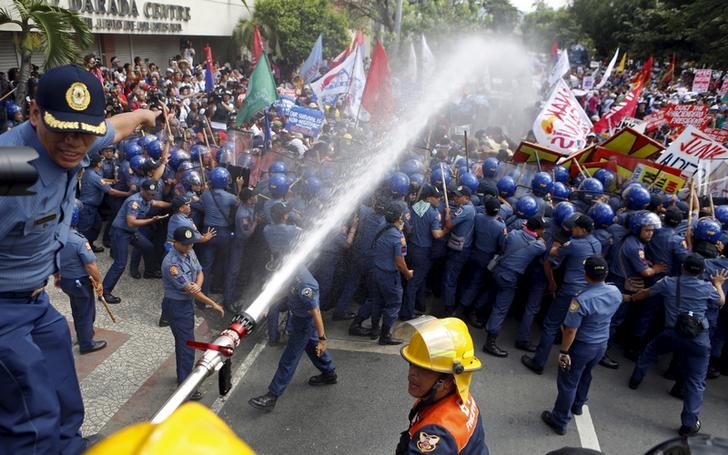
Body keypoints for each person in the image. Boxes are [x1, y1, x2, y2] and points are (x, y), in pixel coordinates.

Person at [0, 63, 157, 454]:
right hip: (3, 309)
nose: (74, 143)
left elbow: (115, 128)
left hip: (36, 301)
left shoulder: (82, 132)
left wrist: (144, 116)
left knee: (64, 394)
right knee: (30, 417)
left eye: (84, 133)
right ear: (34, 114)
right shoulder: (12, 167)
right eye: (62, 130)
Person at [626, 254, 726, 437]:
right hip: (699, 339)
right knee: (696, 381)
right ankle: (689, 423)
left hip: (672, 332)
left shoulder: (668, 283)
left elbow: (646, 293)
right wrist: (718, 284)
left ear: (683, 268)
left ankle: (636, 378)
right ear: (702, 272)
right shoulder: (706, 288)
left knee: (650, 351)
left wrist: (630, 298)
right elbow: (720, 301)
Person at [540, 256, 622, 435]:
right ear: (606, 273)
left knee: (568, 383)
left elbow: (570, 331)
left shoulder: (581, 300)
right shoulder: (614, 292)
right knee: (586, 374)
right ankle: (578, 405)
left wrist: (563, 351)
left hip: (582, 346)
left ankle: (560, 420)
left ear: (585, 275)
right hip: (601, 344)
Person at [248, 265, 336, 411]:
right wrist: (268, 305)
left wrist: (323, 339)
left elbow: (316, 311)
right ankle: (329, 373)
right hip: (298, 318)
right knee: (310, 345)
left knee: (289, 359)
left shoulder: (306, 285)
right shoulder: (293, 271)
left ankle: (272, 395)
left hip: (304, 324)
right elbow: (284, 290)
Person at [397, 317, 489, 454]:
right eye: (412, 364)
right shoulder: (460, 395)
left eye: (425, 369)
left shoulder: (436, 434)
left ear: (447, 381)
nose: (412, 373)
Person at [162, 226, 224, 400]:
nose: (189, 247)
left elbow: (199, 271)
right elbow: (191, 290)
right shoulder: (172, 264)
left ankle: (184, 377)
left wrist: (198, 283)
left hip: (186, 304)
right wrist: (213, 303)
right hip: (177, 306)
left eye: (190, 244)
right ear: (176, 243)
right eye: (185, 245)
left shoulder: (189, 251)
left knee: (185, 343)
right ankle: (185, 385)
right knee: (186, 345)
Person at [484, 216, 546, 357]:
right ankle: (490, 342)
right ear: (537, 230)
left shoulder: (513, 234)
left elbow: (503, 244)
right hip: (509, 277)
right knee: (500, 308)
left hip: (497, 270)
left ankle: (479, 316)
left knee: (491, 294)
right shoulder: (538, 246)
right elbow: (544, 249)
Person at [102, 179, 170, 303]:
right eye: (149, 193)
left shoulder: (147, 199)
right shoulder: (135, 201)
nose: (152, 196)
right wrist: (152, 220)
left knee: (148, 247)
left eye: (153, 193)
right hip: (121, 232)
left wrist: (173, 205)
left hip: (131, 232)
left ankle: (149, 272)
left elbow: (157, 203)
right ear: (142, 190)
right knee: (120, 264)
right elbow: (131, 222)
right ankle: (104, 292)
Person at [58, 200, 108, 354]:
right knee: (86, 311)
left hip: (65, 279)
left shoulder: (56, 235)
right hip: (79, 281)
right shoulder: (79, 240)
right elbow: (90, 265)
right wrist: (99, 283)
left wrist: (56, 276)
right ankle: (86, 344)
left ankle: (82, 335)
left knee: (77, 308)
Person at [369, 201, 414, 345]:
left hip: (376, 271)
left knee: (377, 301)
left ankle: (374, 328)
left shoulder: (382, 225)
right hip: (388, 276)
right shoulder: (397, 237)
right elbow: (400, 261)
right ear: (399, 217)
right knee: (393, 304)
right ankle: (385, 336)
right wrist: (407, 273)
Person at [402, 184, 446, 320]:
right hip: (423, 252)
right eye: (436, 197)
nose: (439, 199)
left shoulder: (416, 206)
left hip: (412, 248)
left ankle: (420, 305)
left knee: (419, 279)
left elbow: (408, 225)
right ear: (428, 198)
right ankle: (406, 313)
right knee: (414, 283)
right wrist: (447, 229)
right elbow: (437, 234)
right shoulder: (433, 213)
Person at [77, 150, 131, 252]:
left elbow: (101, 180)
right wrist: (127, 194)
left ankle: (90, 245)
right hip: (87, 208)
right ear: (97, 164)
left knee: (97, 225)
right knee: (84, 231)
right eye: (101, 161)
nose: (102, 162)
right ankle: (81, 252)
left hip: (92, 208)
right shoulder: (93, 176)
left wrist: (112, 181)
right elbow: (111, 192)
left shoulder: (91, 173)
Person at [441, 184, 476, 315]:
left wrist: (447, 215)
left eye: (458, 196)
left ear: (466, 198)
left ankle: (448, 309)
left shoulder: (465, 210)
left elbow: (449, 224)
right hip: (460, 247)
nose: (455, 198)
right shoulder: (467, 207)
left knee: (450, 279)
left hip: (459, 251)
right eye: (455, 195)